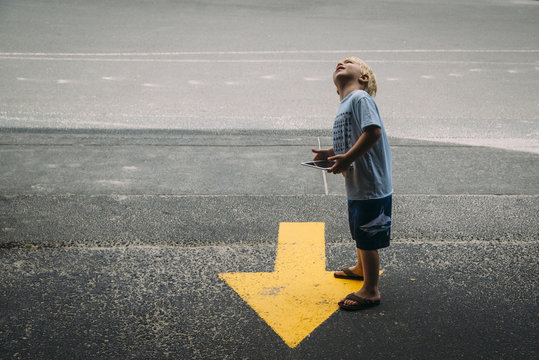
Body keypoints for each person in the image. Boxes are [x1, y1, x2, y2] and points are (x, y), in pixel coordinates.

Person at [312, 57, 393, 311]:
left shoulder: (360, 99)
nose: (341, 62)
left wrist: (347, 157)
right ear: (337, 88)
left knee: (368, 236)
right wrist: (333, 151)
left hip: (371, 185)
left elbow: (373, 132)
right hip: (360, 183)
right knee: (360, 231)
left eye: (349, 62)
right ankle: (361, 269)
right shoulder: (346, 103)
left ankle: (371, 290)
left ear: (363, 79)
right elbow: (356, 139)